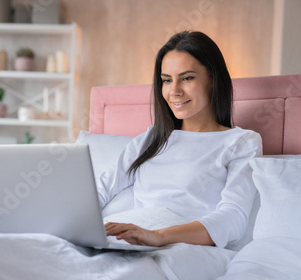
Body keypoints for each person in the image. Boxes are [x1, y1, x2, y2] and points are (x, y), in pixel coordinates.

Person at [101, 31, 262, 249]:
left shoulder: (240, 143)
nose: (174, 91)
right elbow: (101, 190)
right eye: (167, 80)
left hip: (183, 249)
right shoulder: (149, 140)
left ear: (213, 79)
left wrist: (158, 236)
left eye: (187, 78)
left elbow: (233, 217)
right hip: (127, 241)